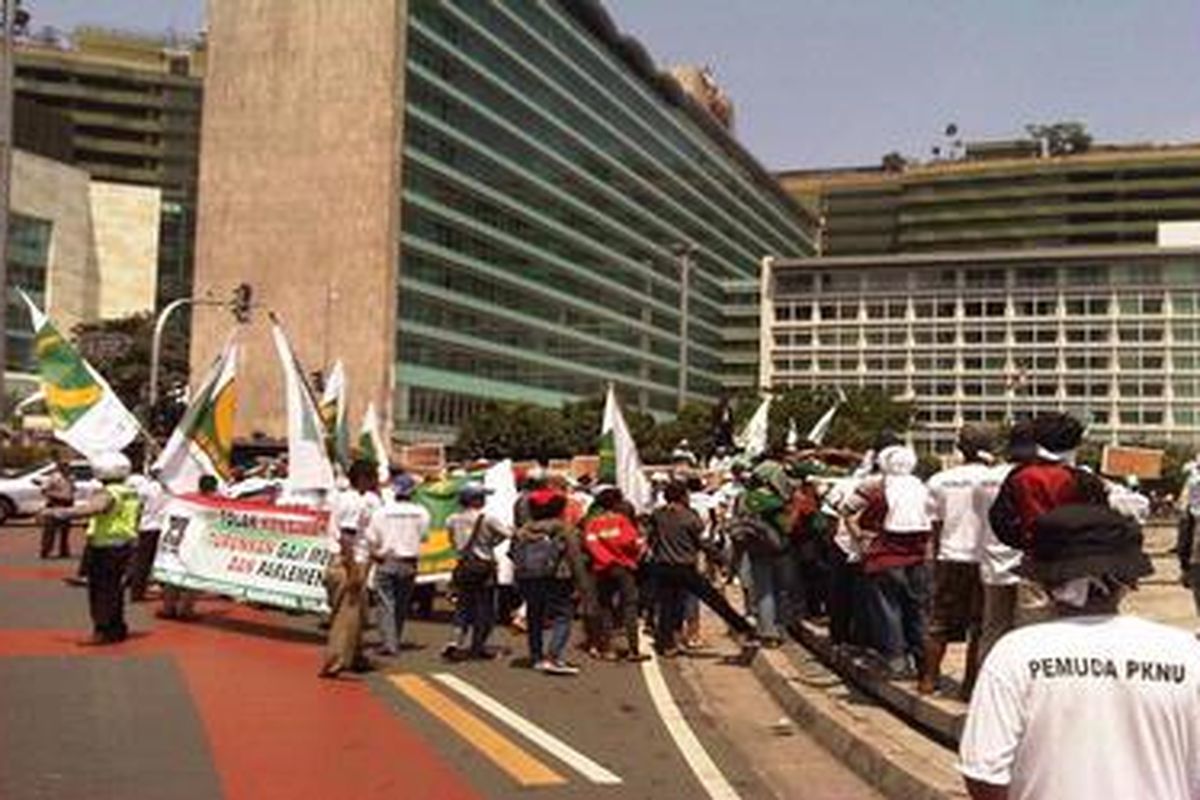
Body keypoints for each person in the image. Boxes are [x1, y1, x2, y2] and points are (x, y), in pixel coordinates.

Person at [959, 504, 1200, 799]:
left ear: (1045, 583)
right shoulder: (1185, 653)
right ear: (1129, 582)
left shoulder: (1015, 654)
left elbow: (984, 774)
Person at [843, 444, 932, 678]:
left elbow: (854, 513)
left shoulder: (880, 491)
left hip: (885, 558)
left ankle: (896, 661)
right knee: (917, 611)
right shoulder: (923, 488)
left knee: (887, 610)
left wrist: (860, 536)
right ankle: (924, 663)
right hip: (919, 558)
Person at [919, 427, 992, 696]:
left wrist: (937, 557)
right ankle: (969, 686)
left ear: (960, 449)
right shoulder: (994, 479)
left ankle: (928, 681)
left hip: (950, 556)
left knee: (938, 622)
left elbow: (935, 525)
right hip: (984, 558)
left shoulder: (940, 480)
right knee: (980, 625)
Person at [648, 482, 757, 659]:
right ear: (683, 496)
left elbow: (653, 539)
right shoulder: (689, 517)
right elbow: (702, 542)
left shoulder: (658, 515)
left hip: (663, 566)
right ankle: (743, 628)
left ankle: (667, 644)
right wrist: (720, 559)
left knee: (667, 605)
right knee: (713, 599)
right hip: (684, 566)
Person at [43, 452, 140, 644]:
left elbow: (93, 509)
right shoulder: (130, 492)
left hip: (106, 548)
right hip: (124, 545)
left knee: (100, 591)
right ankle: (117, 628)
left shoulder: (108, 493)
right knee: (115, 591)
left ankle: (102, 630)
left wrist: (57, 513)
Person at [988, 412, 1107, 553]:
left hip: (1036, 556)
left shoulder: (1019, 475)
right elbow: (1102, 522)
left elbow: (1001, 520)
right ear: (1077, 444)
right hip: (1076, 557)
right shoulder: (1086, 480)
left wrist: (1027, 543)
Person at [511, 487, 587, 675]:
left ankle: (536, 657)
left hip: (528, 579)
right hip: (558, 579)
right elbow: (575, 558)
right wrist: (583, 585)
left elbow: (512, 554)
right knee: (562, 616)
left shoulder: (522, 531)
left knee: (534, 616)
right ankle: (554, 657)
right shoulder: (564, 529)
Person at [319, 460, 381, 677]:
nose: (377, 481)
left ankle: (357, 656)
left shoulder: (347, 498)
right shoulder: (354, 502)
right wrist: (353, 569)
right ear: (364, 478)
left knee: (358, 614)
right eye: (373, 476)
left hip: (349, 559)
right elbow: (347, 537)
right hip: (349, 561)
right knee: (347, 614)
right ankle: (334, 661)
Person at [365, 472, 429, 656]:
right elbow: (423, 537)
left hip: (387, 560)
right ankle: (395, 640)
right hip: (409, 562)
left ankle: (389, 643)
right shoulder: (422, 512)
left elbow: (371, 538)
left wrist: (376, 553)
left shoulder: (382, 512)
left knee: (386, 604)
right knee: (401, 604)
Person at [444, 483, 510, 661]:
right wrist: (490, 544)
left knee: (462, 607)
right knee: (485, 608)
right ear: (475, 499)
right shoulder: (488, 518)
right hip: (484, 566)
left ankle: (455, 642)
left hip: (463, 566)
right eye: (482, 496)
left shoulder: (451, 519)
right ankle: (477, 646)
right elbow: (507, 534)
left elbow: (452, 542)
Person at [582, 486, 647, 661]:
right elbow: (632, 542)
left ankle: (607, 648)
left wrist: (604, 559)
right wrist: (633, 555)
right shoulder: (622, 521)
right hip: (624, 568)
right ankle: (633, 649)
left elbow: (590, 544)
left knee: (605, 606)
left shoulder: (593, 523)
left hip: (602, 569)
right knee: (630, 606)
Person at [160, 475, 218, 620]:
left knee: (172, 575)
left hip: (177, 542)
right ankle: (186, 610)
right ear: (214, 488)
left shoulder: (185, 499)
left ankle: (168, 608)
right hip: (198, 545)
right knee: (194, 577)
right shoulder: (215, 504)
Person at [126, 470, 168, 602]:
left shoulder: (146, 489)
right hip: (162, 526)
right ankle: (162, 588)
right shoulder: (168, 490)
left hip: (147, 526)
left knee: (143, 561)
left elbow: (138, 506)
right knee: (162, 559)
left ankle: (137, 592)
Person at [38, 460, 75, 559]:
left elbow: (72, 490)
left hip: (67, 506)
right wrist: (57, 496)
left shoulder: (71, 478)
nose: (67, 469)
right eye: (64, 467)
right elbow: (44, 490)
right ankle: (46, 550)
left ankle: (64, 550)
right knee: (50, 530)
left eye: (68, 467)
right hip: (55, 505)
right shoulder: (54, 478)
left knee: (65, 531)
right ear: (60, 468)